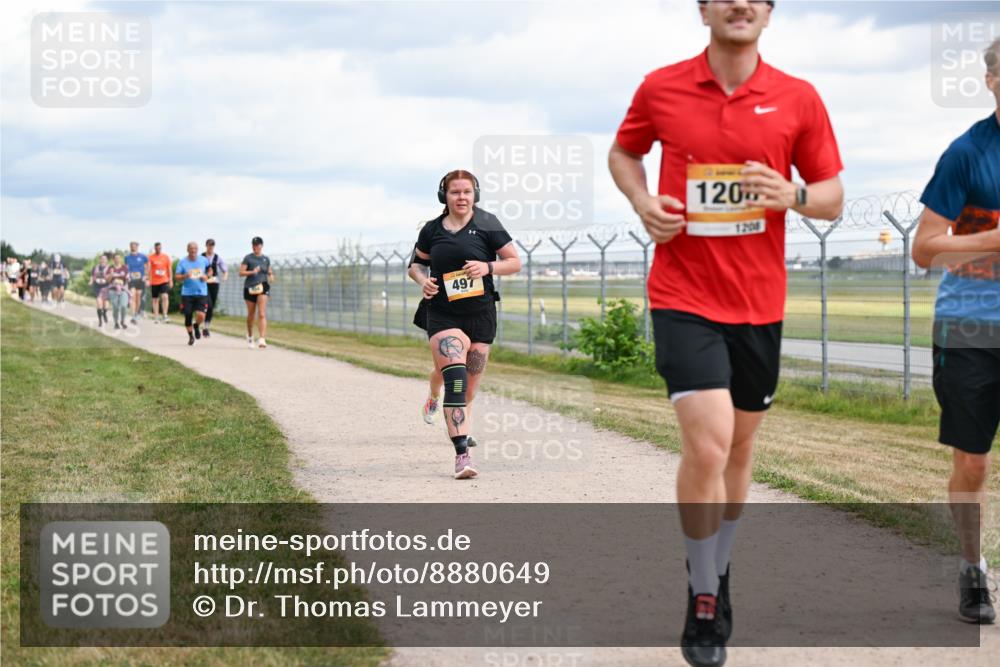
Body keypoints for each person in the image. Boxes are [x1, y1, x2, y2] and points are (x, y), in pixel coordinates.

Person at [608, 2, 844, 664]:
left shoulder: (798, 97)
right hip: (683, 293)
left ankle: (721, 564)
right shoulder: (662, 87)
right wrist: (642, 201)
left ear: (769, 12)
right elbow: (624, 153)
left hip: (759, 303)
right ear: (704, 9)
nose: (740, 4)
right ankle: (703, 591)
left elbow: (832, 196)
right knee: (708, 447)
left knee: (739, 452)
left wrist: (789, 194)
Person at [911, 37, 1000, 626]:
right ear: (991, 80)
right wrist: (991, 239)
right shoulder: (967, 154)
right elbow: (922, 249)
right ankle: (972, 568)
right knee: (973, 463)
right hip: (974, 330)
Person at [409, 170, 522, 479]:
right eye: (455, 192)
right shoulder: (432, 230)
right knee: (456, 378)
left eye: (467, 192)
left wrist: (487, 266)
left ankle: (436, 395)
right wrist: (423, 280)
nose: (461, 197)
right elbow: (416, 265)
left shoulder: (488, 224)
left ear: (475, 195)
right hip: (444, 313)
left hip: (481, 316)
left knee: (468, 386)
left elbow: (514, 261)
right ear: (444, 195)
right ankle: (462, 455)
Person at [240, 236, 274, 349]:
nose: (256, 247)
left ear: (261, 246)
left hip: (263, 286)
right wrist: (252, 271)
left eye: (258, 245)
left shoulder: (266, 259)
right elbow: (241, 273)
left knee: (262, 313)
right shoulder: (248, 258)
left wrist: (271, 276)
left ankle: (262, 339)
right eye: (254, 245)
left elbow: (269, 271)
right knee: (251, 314)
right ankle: (250, 336)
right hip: (250, 287)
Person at [176, 242, 211, 345]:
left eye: (195, 248)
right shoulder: (182, 262)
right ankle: (191, 336)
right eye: (191, 248)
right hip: (187, 293)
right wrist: (185, 276)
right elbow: (177, 276)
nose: (193, 250)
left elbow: (210, 270)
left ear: (197, 249)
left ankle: (196, 326)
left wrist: (207, 276)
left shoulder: (203, 260)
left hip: (201, 292)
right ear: (187, 250)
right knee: (188, 315)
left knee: (201, 315)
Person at [201, 238, 228, 338]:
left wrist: (225, 276)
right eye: (209, 245)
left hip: (214, 283)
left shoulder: (217, 258)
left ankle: (206, 327)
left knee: (211, 306)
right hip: (203, 283)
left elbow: (225, 269)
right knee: (208, 304)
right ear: (206, 245)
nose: (210, 247)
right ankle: (201, 320)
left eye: (212, 245)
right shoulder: (201, 257)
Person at [148, 242, 173, 323]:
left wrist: (171, 280)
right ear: (155, 248)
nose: (158, 249)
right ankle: (156, 317)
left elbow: (169, 269)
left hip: (164, 280)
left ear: (161, 248)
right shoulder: (151, 257)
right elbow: (148, 269)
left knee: (165, 297)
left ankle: (165, 315)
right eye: (157, 248)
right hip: (154, 281)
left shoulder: (166, 257)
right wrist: (148, 280)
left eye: (159, 248)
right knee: (155, 299)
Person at [125, 241, 149, 324]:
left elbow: (147, 267)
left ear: (137, 246)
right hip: (132, 279)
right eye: (131, 245)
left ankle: (137, 313)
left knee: (138, 297)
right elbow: (127, 267)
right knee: (132, 296)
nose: (133, 247)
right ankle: (133, 316)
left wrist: (146, 276)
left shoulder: (143, 257)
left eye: (134, 245)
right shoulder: (127, 257)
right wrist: (127, 275)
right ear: (130, 247)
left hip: (140, 279)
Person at [106, 254, 130, 330]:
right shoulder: (110, 268)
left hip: (123, 290)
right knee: (116, 307)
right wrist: (111, 274)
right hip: (113, 290)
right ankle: (116, 323)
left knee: (123, 306)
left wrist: (128, 279)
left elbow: (128, 278)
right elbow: (107, 280)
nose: (117, 260)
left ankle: (123, 321)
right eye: (116, 258)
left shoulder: (125, 268)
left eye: (119, 258)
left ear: (120, 259)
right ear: (113, 260)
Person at [88, 255, 111, 327]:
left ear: (107, 260)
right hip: (97, 286)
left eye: (105, 259)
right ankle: (100, 321)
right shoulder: (95, 267)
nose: (103, 260)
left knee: (105, 305)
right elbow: (92, 276)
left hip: (106, 287)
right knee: (99, 303)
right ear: (100, 260)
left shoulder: (110, 268)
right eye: (102, 259)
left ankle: (104, 313)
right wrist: (91, 281)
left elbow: (112, 277)